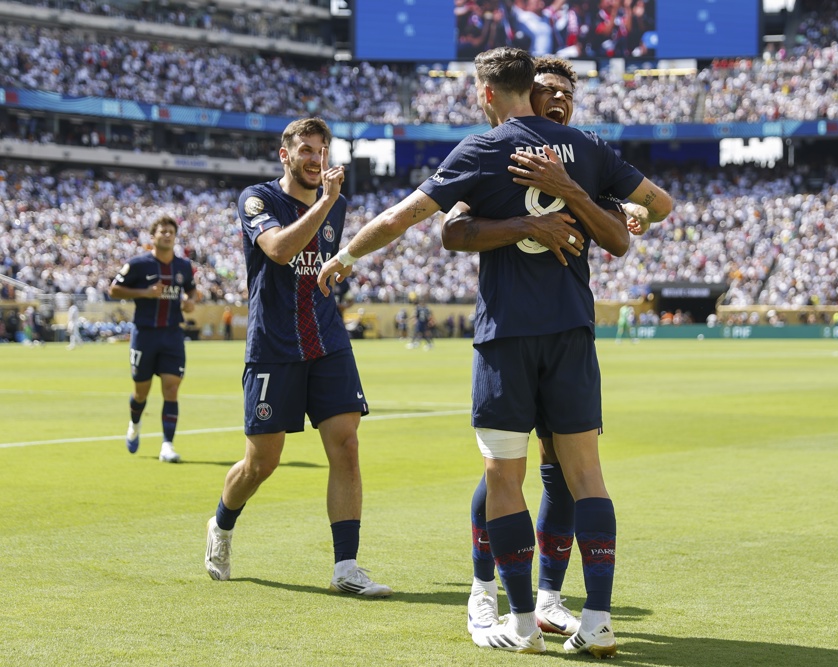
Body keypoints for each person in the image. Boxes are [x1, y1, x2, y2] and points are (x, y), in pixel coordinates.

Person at [317, 47, 672, 656]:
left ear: (486, 94)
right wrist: (613, 212)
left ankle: (525, 621)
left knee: (504, 474)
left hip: (507, 335)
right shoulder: (587, 149)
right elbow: (659, 204)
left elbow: (407, 217)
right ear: (530, 91)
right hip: (570, 332)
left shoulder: (484, 150)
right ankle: (597, 618)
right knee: (585, 472)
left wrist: (346, 256)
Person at [443, 53, 671, 643]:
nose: (557, 100)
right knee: (503, 474)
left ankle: (547, 603)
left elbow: (651, 210)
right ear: (525, 92)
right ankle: (483, 590)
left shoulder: (586, 153)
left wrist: (623, 209)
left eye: (566, 93)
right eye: (546, 90)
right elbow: (451, 226)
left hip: (563, 331)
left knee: (558, 476)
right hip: (522, 331)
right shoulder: (497, 150)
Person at [203, 118, 390, 598]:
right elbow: (281, 250)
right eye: (306, 149)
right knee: (262, 462)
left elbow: (318, 263)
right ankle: (222, 525)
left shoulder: (338, 205)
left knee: (346, 445)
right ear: (284, 154)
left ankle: (345, 567)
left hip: (327, 342)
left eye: (321, 150)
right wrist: (325, 203)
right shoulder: (257, 200)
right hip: (274, 348)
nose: (315, 158)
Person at [109, 215, 199, 463]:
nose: (167, 235)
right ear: (153, 236)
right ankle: (135, 424)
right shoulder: (139, 264)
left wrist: (191, 300)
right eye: (162, 231)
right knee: (141, 392)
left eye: (171, 231)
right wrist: (145, 293)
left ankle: (167, 445)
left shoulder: (182, 266)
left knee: (171, 389)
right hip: (145, 334)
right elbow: (114, 289)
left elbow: (191, 289)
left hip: (172, 335)